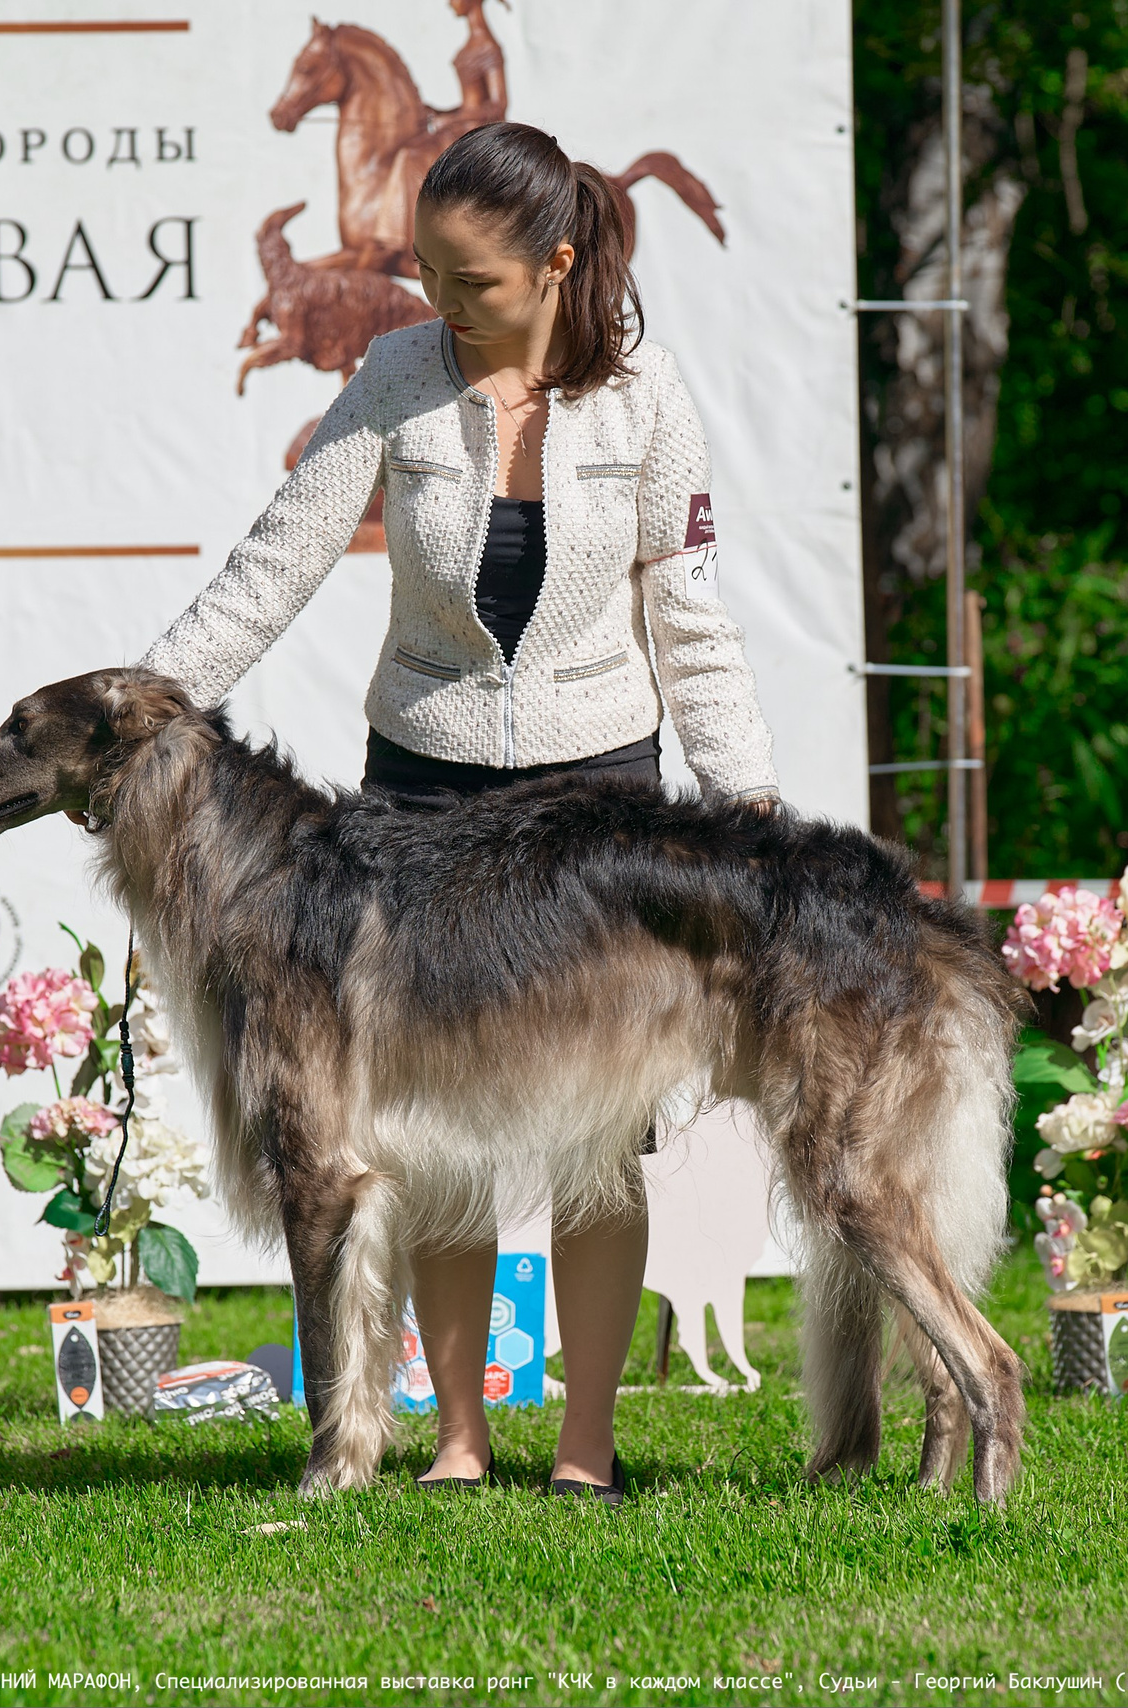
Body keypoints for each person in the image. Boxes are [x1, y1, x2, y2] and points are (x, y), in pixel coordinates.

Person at [136, 121, 780, 1502]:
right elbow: (275, 563)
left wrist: (752, 807)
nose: (439, 300)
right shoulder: (394, 375)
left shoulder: (650, 397)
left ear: (559, 264)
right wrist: (143, 703)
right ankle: (458, 1439)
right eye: (425, 270)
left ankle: (587, 1444)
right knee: (429, 1132)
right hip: (421, 797)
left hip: (599, 806)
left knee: (607, 1139)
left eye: (471, 279)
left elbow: (692, 622)